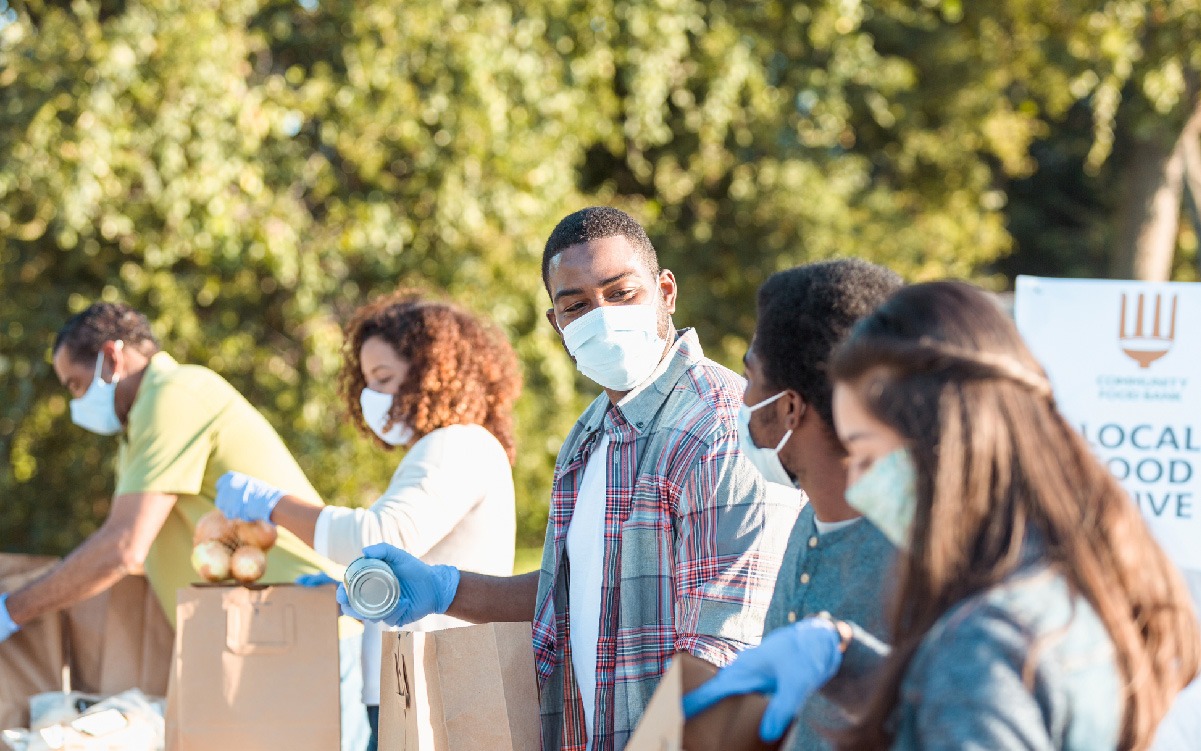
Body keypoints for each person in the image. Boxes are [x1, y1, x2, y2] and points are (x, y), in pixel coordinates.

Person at [335, 206, 801, 751]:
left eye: (620, 293)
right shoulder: (589, 436)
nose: (600, 315)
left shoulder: (718, 430)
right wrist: (446, 589)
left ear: (666, 291)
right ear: (556, 323)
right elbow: (572, 592)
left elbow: (724, 654)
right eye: (576, 305)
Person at [686, 281, 1201, 749]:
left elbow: (975, 690)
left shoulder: (987, 640)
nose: (859, 485)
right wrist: (846, 658)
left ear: (941, 443)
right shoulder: (1064, 583)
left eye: (865, 453)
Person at [0, 302, 371, 751]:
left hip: (296, 625)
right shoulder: (137, 424)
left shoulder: (173, 395)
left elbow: (122, 547)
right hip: (252, 634)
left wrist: (11, 611)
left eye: (77, 386)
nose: (78, 403)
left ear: (112, 358)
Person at [215, 292, 521, 749]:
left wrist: (273, 503)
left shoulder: (456, 445)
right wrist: (359, 597)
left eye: (383, 379)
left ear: (431, 373)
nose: (371, 397)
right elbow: (412, 561)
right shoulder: (447, 448)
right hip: (417, 684)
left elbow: (379, 535)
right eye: (366, 382)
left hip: (438, 689)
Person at [740, 259, 901, 750]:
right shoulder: (809, 516)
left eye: (750, 378)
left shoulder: (915, 556)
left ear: (789, 406)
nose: (741, 398)